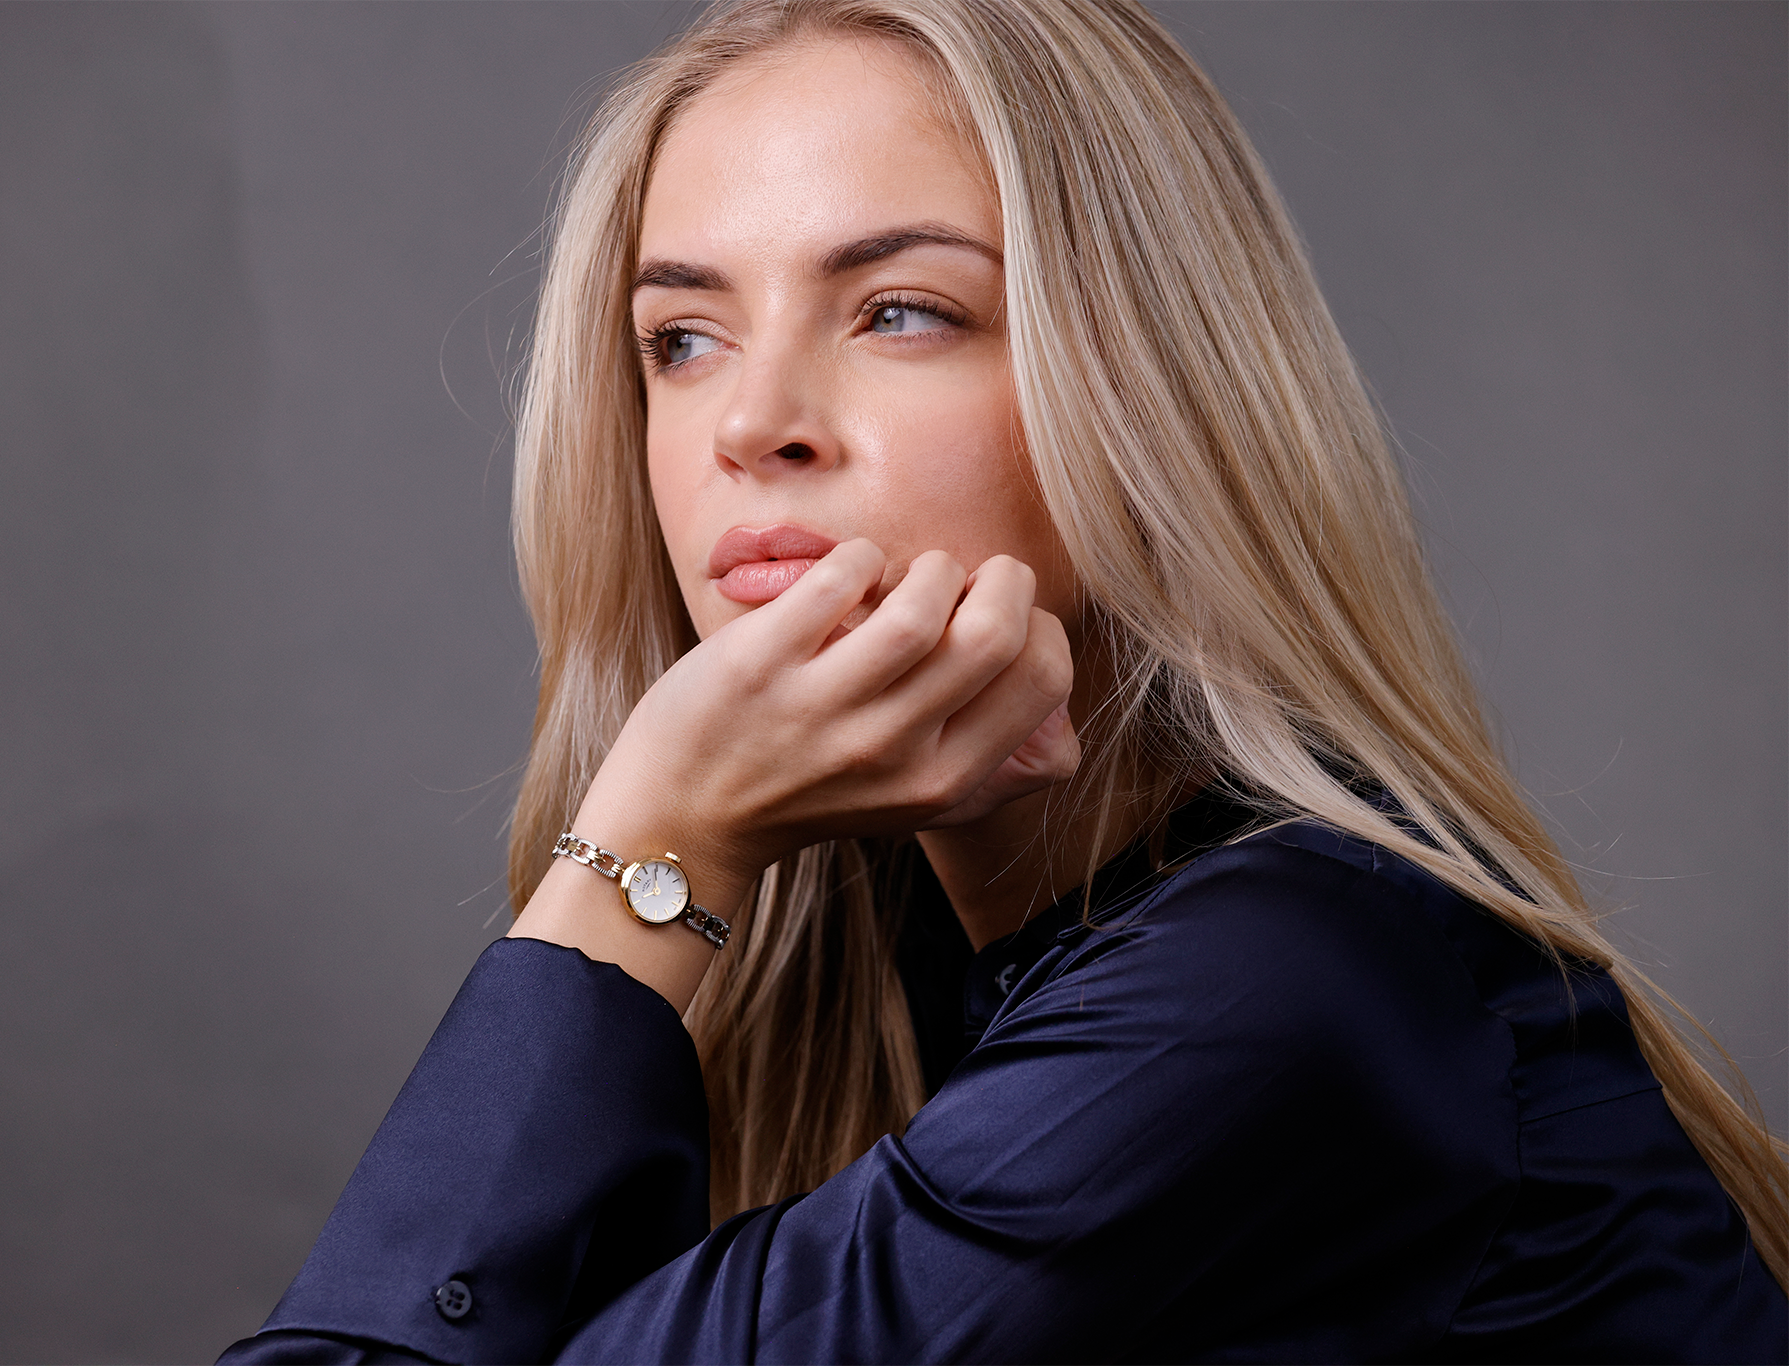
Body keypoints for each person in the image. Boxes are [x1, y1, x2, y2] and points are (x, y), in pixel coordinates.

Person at [218, 1, 1789, 1360]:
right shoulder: (915, 948)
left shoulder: (1275, 987)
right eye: (682, 336)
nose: (751, 421)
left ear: (1144, 390)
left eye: (903, 311)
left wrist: (646, 856)